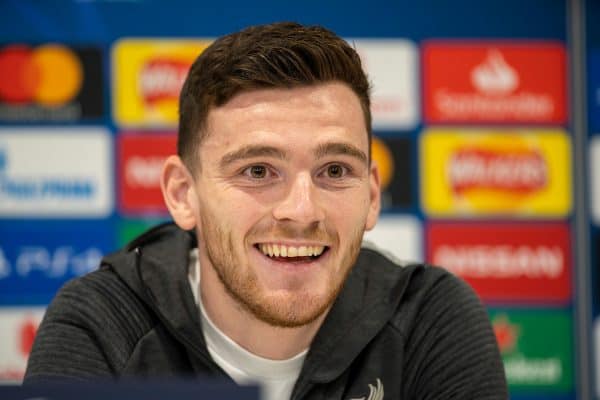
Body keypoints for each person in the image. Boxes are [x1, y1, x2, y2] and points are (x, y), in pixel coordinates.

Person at [25, 22, 508, 399]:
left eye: (335, 171)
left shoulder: (430, 320)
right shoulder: (104, 322)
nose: (301, 211)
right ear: (182, 193)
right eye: (258, 171)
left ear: (373, 195)